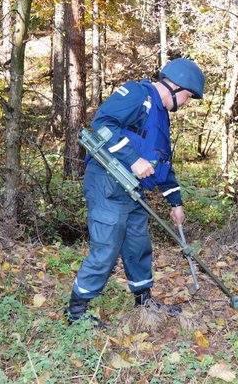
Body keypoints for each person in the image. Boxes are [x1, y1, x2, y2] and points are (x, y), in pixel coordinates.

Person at [66, 58, 205, 325]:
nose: (186, 103)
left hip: (134, 192)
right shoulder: (137, 94)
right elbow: (103, 124)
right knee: (106, 248)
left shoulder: (160, 117)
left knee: (138, 246)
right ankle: (77, 312)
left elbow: (161, 163)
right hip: (107, 184)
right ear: (174, 87)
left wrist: (175, 202)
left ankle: (144, 300)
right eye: (187, 96)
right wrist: (132, 158)